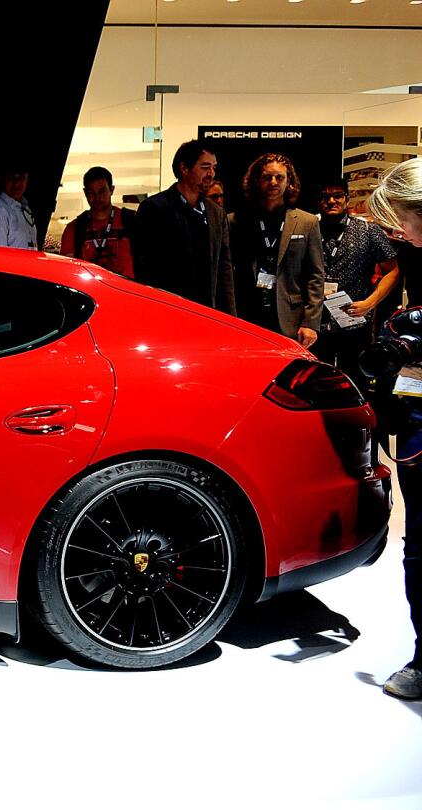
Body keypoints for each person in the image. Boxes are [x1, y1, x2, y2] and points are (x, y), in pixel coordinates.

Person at [364, 156, 422, 701]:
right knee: (420, 540)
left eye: (405, 217)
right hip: (418, 407)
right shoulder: (411, 252)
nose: (399, 229)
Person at [227, 153, 324, 349]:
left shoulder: (307, 222)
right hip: (246, 314)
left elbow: (315, 276)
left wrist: (311, 323)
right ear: (256, 180)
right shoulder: (234, 221)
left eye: (279, 177)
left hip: (291, 319)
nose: (273, 182)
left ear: (289, 182)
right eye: (267, 177)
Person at [132, 140, 236, 315]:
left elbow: (224, 269)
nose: (211, 173)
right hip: (168, 311)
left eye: (213, 167)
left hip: (208, 313)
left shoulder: (216, 213)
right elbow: (145, 269)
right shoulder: (154, 208)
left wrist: (231, 317)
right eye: (204, 167)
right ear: (184, 168)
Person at [310, 178, 397, 380]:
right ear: (318, 201)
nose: (331, 201)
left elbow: (392, 270)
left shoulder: (368, 230)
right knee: (315, 381)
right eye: (325, 197)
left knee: (355, 380)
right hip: (314, 322)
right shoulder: (308, 227)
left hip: (354, 320)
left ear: (347, 199)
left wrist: (370, 303)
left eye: (337, 195)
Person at [59, 166, 135, 278]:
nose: (97, 197)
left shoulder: (131, 220)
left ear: (112, 190)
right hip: (91, 293)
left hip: (128, 292)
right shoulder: (74, 229)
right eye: (91, 193)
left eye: (102, 191)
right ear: (85, 193)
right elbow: (68, 271)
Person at [0, 166, 38, 249]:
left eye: (21, 177)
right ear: (0, 178)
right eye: (11, 178)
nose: (16, 183)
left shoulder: (24, 207)